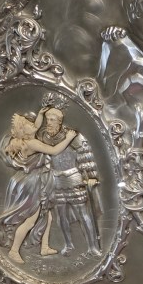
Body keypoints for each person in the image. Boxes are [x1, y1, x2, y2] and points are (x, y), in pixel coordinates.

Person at [0, 110, 78, 263]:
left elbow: (36, 126)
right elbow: (54, 151)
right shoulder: (33, 143)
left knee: (48, 216)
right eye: (28, 124)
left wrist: (40, 114)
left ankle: (44, 247)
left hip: (28, 180)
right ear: (24, 130)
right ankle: (14, 251)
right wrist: (69, 138)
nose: (33, 124)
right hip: (31, 183)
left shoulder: (25, 139)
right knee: (30, 220)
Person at [36, 108, 102, 256]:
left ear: (60, 122)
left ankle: (92, 247)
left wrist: (91, 175)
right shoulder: (44, 137)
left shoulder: (72, 136)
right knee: (61, 215)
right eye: (47, 120)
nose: (49, 123)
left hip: (73, 178)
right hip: (56, 180)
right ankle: (68, 245)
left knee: (82, 213)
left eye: (52, 120)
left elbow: (85, 154)